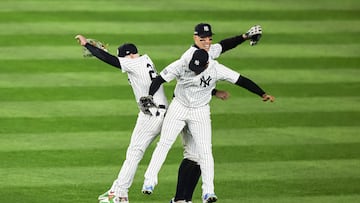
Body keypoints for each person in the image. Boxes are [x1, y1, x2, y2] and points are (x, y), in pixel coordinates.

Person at [74, 34, 228, 203]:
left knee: (134, 153)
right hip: (164, 112)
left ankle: (119, 194)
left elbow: (111, 60)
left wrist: (88, 45)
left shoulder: (134, 62)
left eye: (123, 58)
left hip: (151, 114)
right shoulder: (144, 60)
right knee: (177, 153)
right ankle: (118, 191)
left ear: (130, 55)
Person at [142, 23, 264, 203]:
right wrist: (149, 96)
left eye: (209, 39)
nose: (207, 42)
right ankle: (149, 182)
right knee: (165, 143)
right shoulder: (184, 61)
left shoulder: (212, 59)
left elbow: (225, 48)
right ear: (195, 38)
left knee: (203, 152)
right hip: (180, 106)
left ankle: (208, 192)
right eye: (203, 39)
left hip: (200, 111)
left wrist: (245, 37)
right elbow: (160, 79)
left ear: (207, 60)